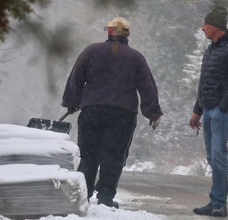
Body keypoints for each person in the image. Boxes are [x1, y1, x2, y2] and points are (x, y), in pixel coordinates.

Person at [62, 17, 163, 208]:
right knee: (114, 156)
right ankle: (106, 198)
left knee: (88, 155)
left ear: (108, 32)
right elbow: (147, 86)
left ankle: (83, 196)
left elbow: (76, 78)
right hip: (122, 114)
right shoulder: (136, 57)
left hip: (92, 110)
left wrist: (71, 103)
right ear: (127, 34)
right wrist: (153, 113)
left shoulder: (91, 51)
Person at [189, 6, 228, 217]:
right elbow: (204, 82)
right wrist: (197, 110)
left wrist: (223, 107)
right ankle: (215, 199)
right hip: (208, 108)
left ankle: (219, 204)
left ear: (215, 26)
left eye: (205, 24)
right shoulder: (211, 49)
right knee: (212, 157)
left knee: (219, 156)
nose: (202, 28)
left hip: (222, 110)